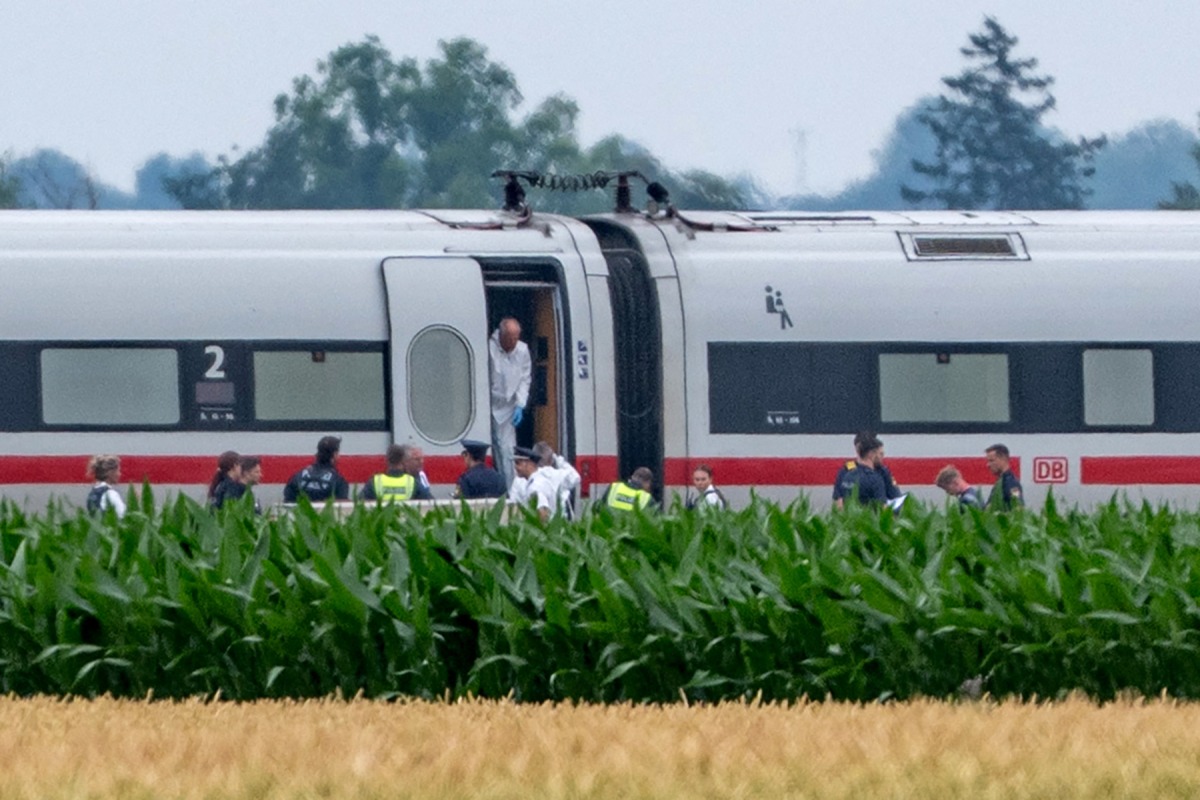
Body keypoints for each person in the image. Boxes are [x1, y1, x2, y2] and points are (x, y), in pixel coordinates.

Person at [489, 317, 532, 489]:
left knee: (507, 450)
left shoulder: (522, 350)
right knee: (492, 448)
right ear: (501, 336)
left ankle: (511, 491)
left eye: (516, 338)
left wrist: (520, 404)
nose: (514, 342)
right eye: (510, 338)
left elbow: (525, 378)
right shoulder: (489, 348)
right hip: (489, 404)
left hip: (509, 407)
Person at [832, 432, 902, 509]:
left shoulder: (882, 471)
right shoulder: (847, 471)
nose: (882, 456)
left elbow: (895, 496)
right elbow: (839, 502)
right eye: (880, 453)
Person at [283, 435, 349, 503]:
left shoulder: (297, 477)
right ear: (334, 455)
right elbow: (341, 509)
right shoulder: (338, 480)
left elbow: (287, 504)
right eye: (338, 453)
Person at [362, 444, 434, 503]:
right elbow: (431, 503)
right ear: (403, 460)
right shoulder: (412, 482)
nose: (421, 462)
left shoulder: (375, 482)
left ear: (386, 461)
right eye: (417, 459)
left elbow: (359, 503)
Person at [85, 454, 126, 519]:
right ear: (110, 473)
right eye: (118, 471)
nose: (119, 474)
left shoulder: (93, 493)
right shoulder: (110, 494)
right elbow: (123, 516)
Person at [985, 443, 1023, 509]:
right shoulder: (1001, 482)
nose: (988, 465)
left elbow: (1017, 506)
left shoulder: (1012, 484)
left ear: (1003, 459)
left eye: (991, 461)